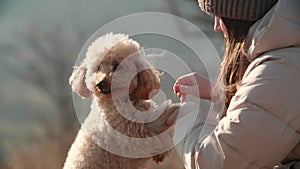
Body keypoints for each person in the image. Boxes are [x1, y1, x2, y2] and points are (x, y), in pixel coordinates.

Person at [168, 0, 300, 168]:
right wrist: (220, 93)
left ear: (241, 15)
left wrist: (187, 119)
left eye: (219, 16)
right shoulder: (288, 56)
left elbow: (215, 162)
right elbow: (270, 112)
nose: (216, 26)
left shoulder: (282, 70)